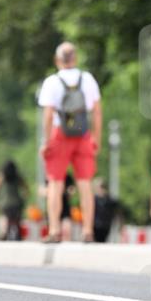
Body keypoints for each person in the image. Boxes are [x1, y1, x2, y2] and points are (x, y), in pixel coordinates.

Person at [38, 42, 102, 242]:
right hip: (83, 136)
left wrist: (46, 141)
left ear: (57, 60)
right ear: (75, 59)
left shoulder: (52, 82)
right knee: (85, 185)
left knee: (55, 185)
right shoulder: (88, 79)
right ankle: (88, 231)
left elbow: (48, 115)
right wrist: (96, 139)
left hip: (60, 135)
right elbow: (97, 112)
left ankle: (55, 230)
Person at [0, 160, 28, 241]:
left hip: (6, 203)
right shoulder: (17, 176)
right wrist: (24, 197)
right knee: (17, 220)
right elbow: (25, 189)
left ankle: (6, 234)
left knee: (8, 219)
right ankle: (18, 235)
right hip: (17, 203)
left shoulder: (1, 176)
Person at [92, 178, 115, 243]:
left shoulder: (109, 199)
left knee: (103, 241)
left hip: (105, 225)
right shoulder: (93, 199)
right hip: (95, 225)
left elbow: (114, 212)